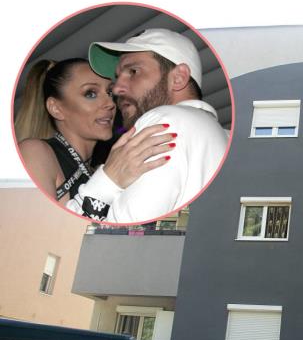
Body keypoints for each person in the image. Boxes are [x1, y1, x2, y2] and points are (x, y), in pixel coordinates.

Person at [67, 28, 229, 223]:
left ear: (178, 78)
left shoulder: (164, 120)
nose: (116, 89)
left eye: (133, 71)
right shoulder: (225, 137)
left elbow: (119, 232)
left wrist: (107, 180)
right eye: (117, 78)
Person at [15, 58, 175, 209]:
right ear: (56, 108)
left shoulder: (98, 170)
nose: (110, 103)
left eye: (110, 92)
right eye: (90, 94)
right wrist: (109, 179)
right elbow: (33, 224)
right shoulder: (35, 152)